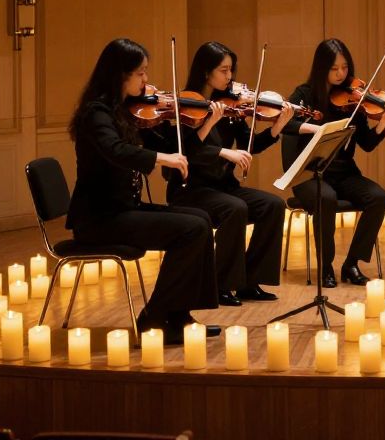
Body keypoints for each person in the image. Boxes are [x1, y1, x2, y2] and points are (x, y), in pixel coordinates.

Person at [66, 38, 218, 345]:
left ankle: (178, 317)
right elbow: (115, 150)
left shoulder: (126, 112)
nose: (146, 80)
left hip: (123, 210)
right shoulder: (96, 114)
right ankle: (155, 316)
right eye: (141, 73)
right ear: (119, 74)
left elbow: (168, 147)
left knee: (201, 220)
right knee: (190, 230)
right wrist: (162, 159)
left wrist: (189, 127)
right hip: (101, 219)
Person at [167, 41, 290, 307]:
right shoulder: (187, 105)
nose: (230, 77)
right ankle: (221, 284)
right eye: (224, 70)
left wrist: (276, 128)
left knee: (273, 205)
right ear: (206, 72)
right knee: (234, 209)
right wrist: (217, 138)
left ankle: (250, 281)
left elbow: (249, 146)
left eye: (230, 70)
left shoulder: (230, 107)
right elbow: (186, 152)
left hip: (223, 186)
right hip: (192, 189)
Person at [286, 38, 385, 287]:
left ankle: (352, 264)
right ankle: (325, 266)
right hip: (308, 174)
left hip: (344, 174)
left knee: (378, 197)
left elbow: (366, 143)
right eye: (334, 69)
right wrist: (315, 129)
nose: (340, 74)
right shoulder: (305, 94)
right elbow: (287, 125)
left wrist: (383, 122)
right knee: (326, 198)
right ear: (321, 68)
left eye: (345, 68)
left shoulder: (353, 99)